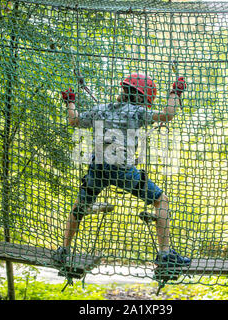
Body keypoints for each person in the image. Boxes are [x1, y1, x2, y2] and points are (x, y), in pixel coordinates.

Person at [57, 73, 191, 268]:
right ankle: (164, 255)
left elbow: (74, 120)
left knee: (79, 206)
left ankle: (64, 249)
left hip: (98, 169)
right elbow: (167, 115)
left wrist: (70, 101)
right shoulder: (137, 112)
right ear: (140, 97)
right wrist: (175, 92)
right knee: (161, 200)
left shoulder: (100, 110)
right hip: (122, 171)